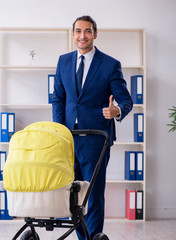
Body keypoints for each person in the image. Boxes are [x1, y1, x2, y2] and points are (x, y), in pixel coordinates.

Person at [51, 15, 133, 239]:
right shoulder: (63, 61)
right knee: (72, 193)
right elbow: (58, 99)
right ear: (73, 34)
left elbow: (126, 101)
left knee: (93, 194)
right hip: (68, 138)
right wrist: (59, 131)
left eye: (87, 31)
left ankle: (93, 236)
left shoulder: (109, 64)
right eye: (78, 31)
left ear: (95, 34)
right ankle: (82, 237)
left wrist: (116, 111)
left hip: (96, 138)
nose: (82, 36)